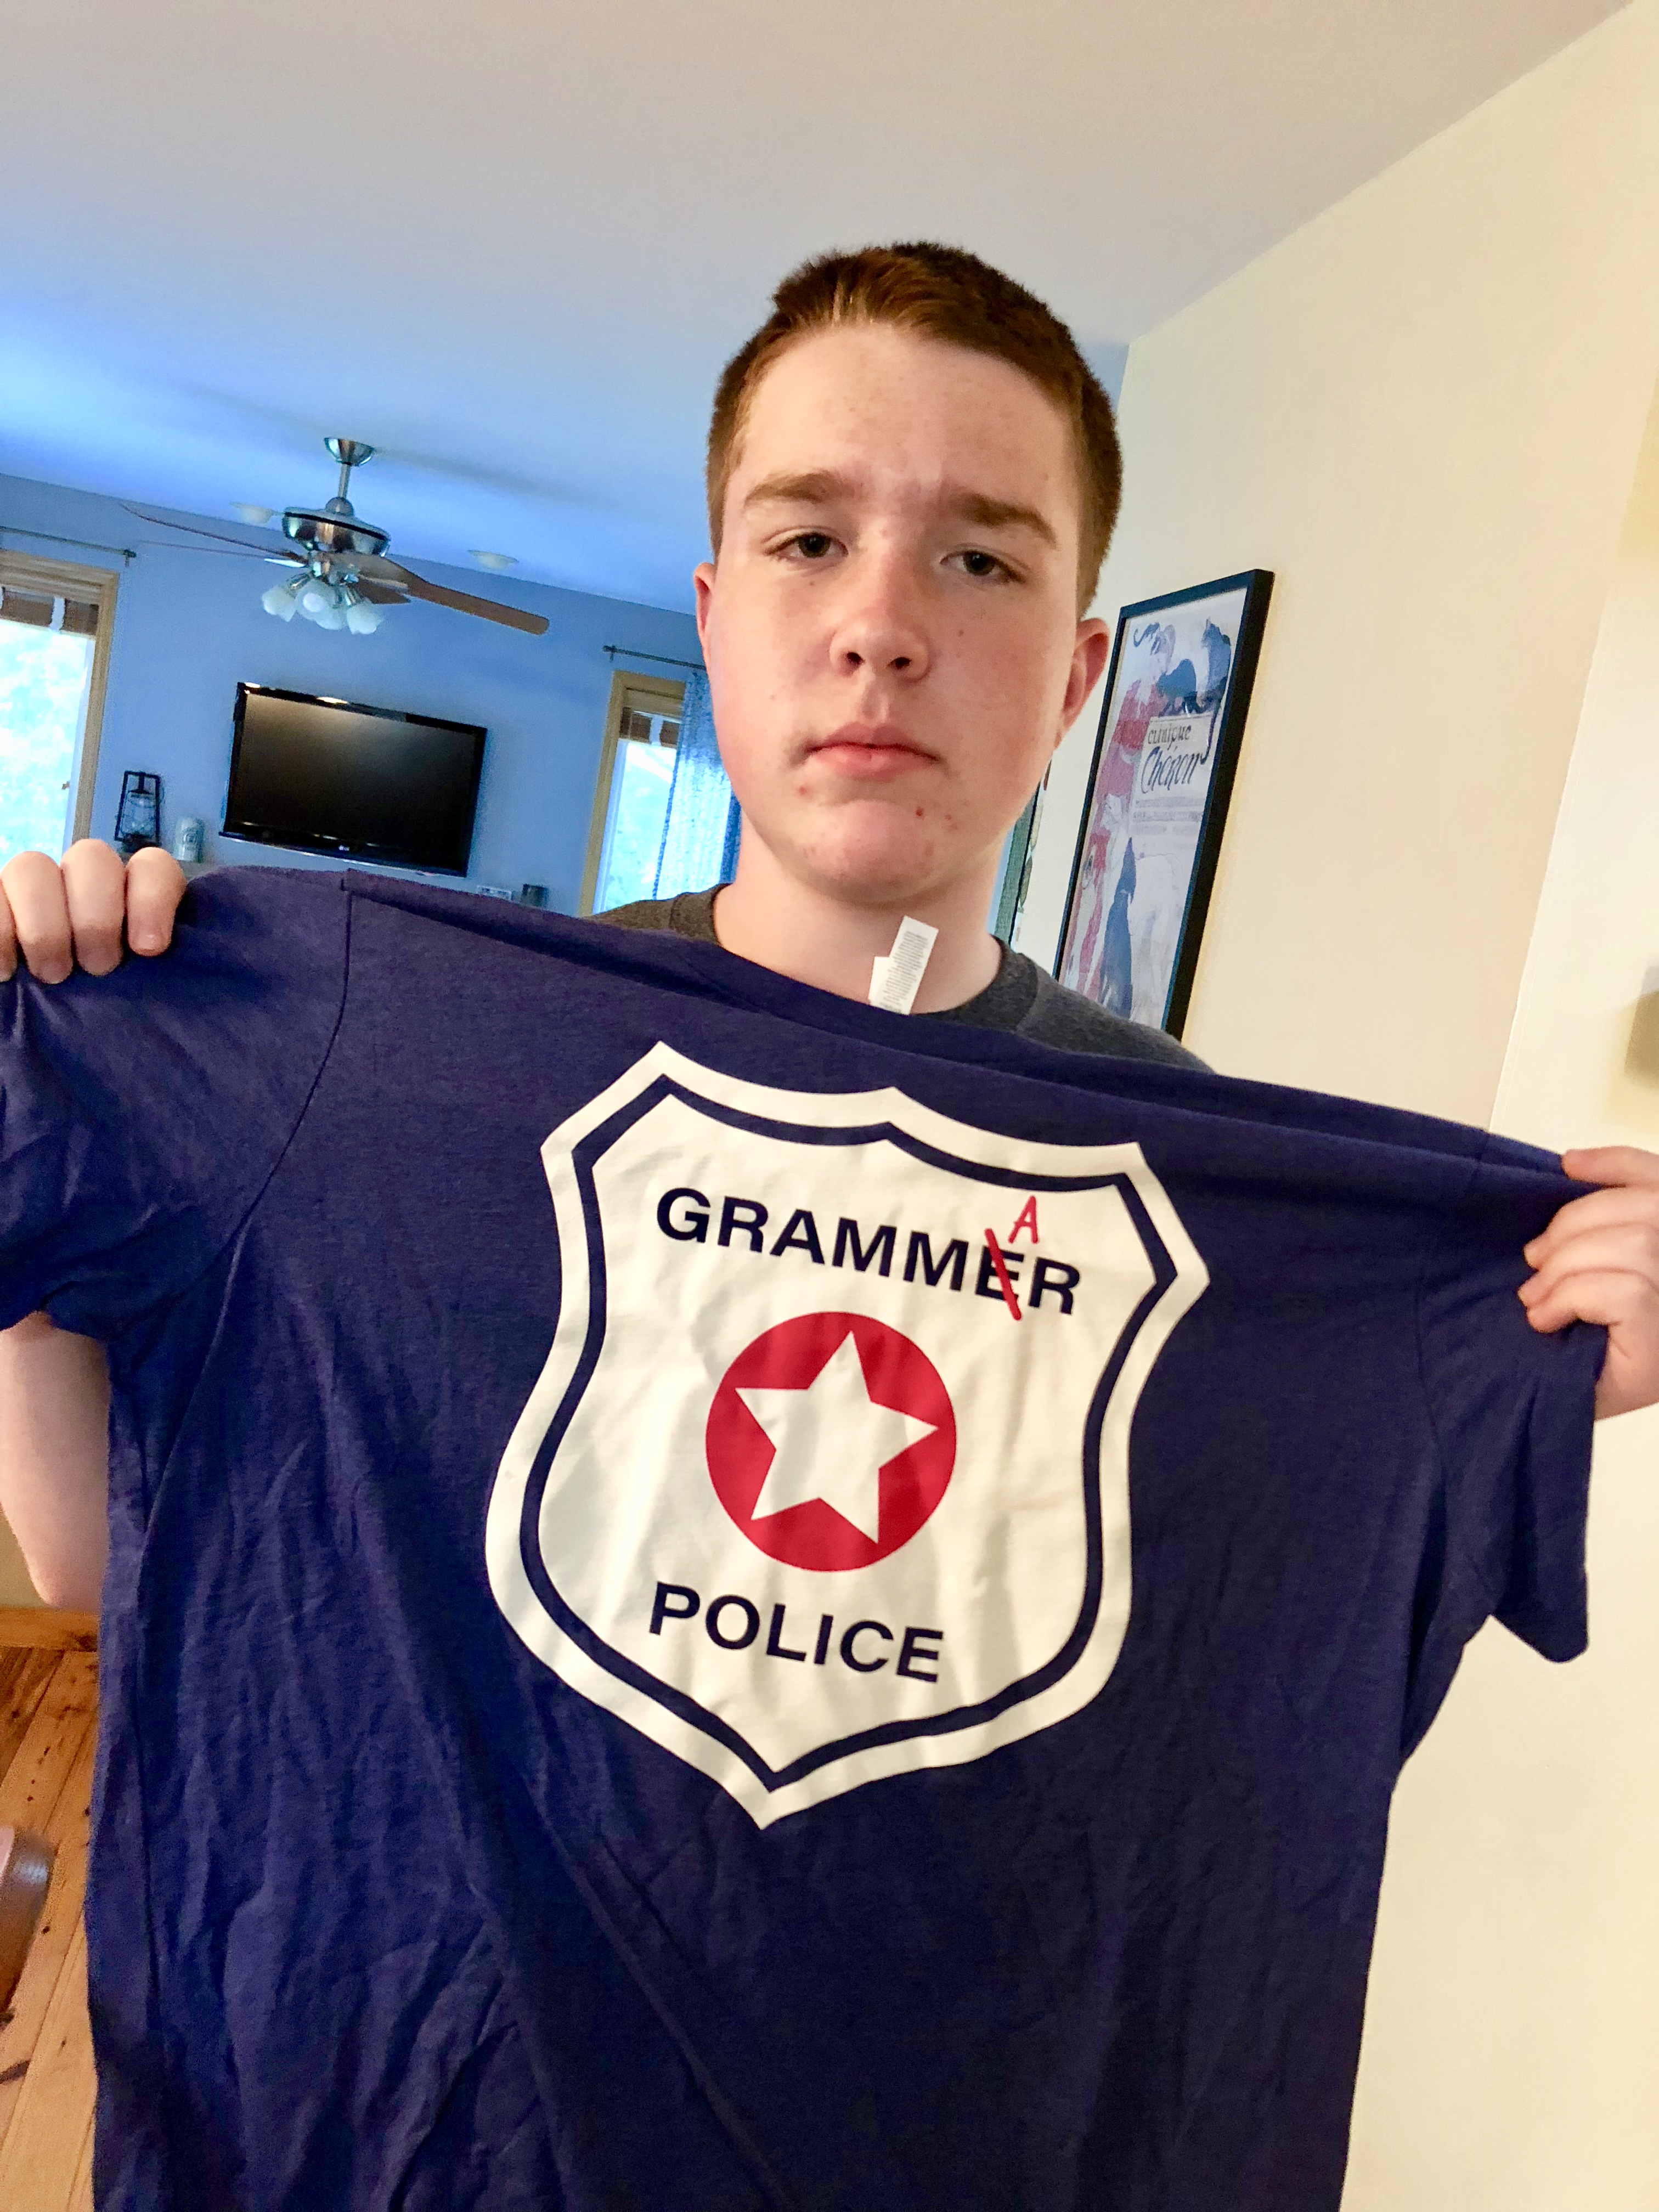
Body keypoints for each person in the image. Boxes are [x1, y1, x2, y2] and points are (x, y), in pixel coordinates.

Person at [1, 244, 1657, 2207]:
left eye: (981, 557)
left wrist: (1524, 1354)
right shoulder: (385, 1066)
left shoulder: (1203, 1204)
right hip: (423, 2134)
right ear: (713, 616)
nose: (883, 626)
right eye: (808, 540)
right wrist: (67, 1129)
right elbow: (94, 1552)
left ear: (1080, 672)